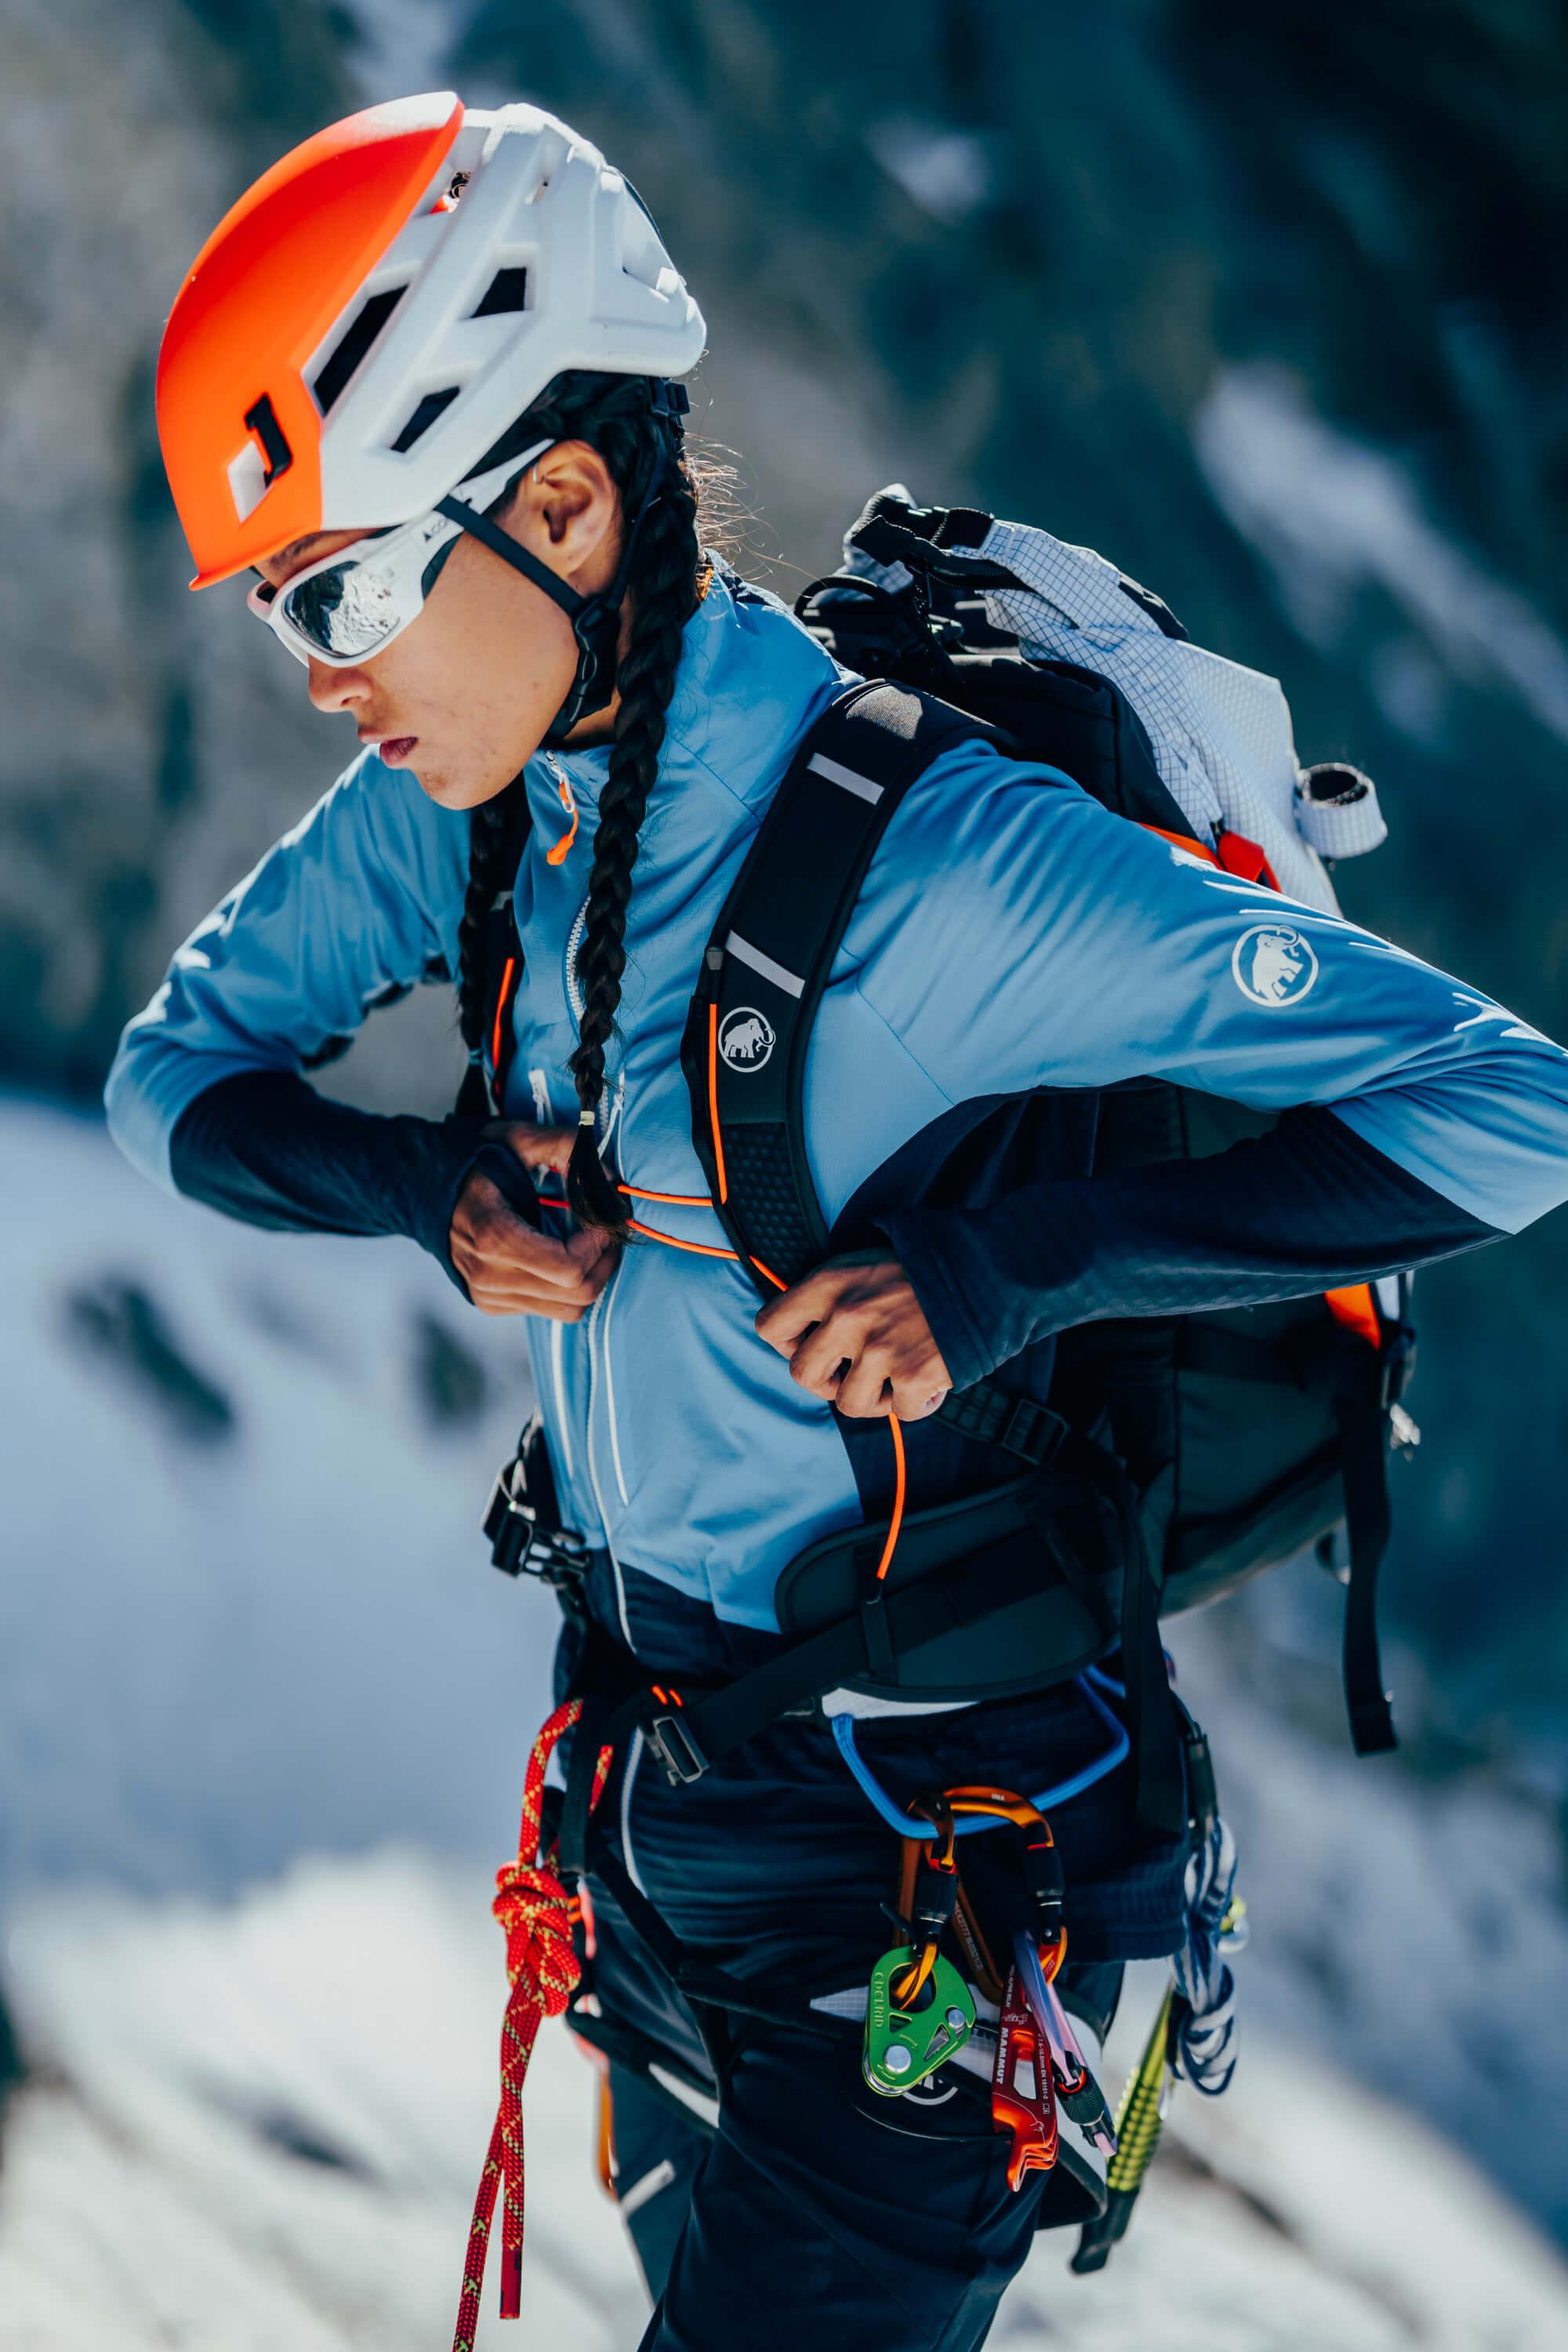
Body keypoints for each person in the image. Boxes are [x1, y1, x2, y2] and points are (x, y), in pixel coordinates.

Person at [107, 92, 1568, 2352]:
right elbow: (168, 1088)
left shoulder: (939, 866)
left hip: (932, 1878)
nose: (321, 667)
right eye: (292, 603)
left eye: (352, 583)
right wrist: (426, 1188)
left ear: (568, 505)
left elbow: (1510, 1104)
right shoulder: (478, 816)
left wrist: (1014, 1268)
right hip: (661, 1834)